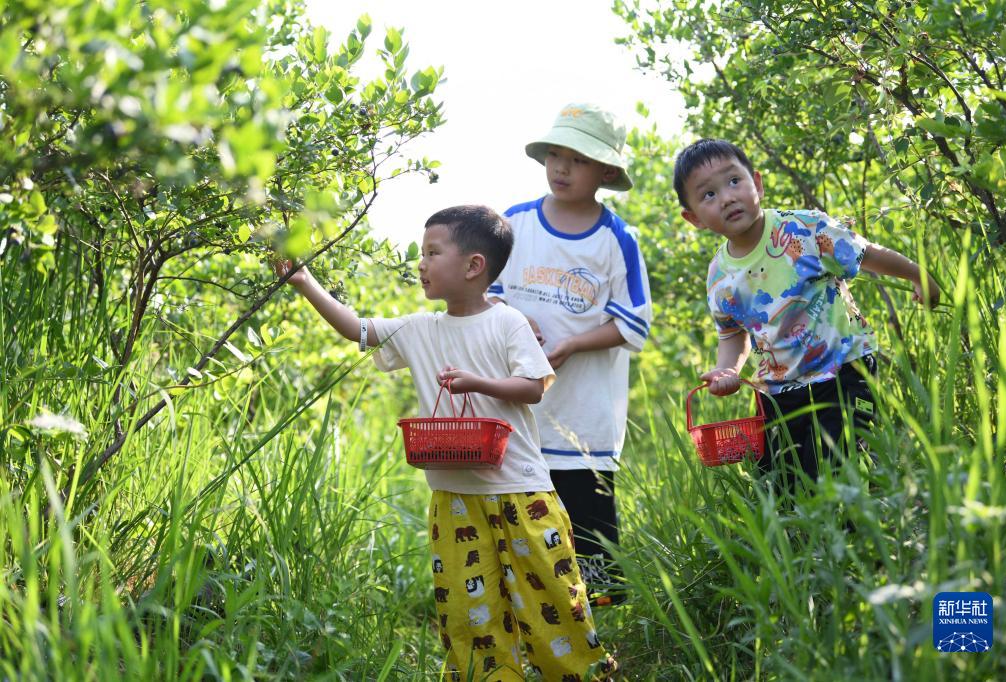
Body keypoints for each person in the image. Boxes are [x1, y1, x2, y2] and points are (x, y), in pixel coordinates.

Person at [274, 205, 616, 679]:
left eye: (433, 252)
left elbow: (534, 385)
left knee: (551, 598)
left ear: (474, 266)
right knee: (467, 606)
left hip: (519, 490)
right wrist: (303, 281)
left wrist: (479, 383)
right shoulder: (419, 329)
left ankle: (578, 673)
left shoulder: (507, 323)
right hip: (455, 497)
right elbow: (358, 328)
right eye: (421, 252)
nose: (421, 263)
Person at [673, 138, 939, 489]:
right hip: (779, 391)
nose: (726, 197)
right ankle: (810, 542)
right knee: (785, 481)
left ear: (758, 183)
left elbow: (865, 253)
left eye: (734, 181)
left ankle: (873, 521)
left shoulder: (804, 229)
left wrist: (916, 273)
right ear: (693, 218)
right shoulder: (720, 277)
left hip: (843, 370)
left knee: (842, 467)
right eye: (708, 194)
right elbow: (733, 334)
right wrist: (729, 368)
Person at [488, 103, 652, 605]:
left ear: (605, 171)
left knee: (590, 529)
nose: (560, 168)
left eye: (576, 159)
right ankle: (531, 613)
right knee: (521, 522)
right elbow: (488, 294)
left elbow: (633, 322)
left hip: (587, 419)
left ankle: (601, 632)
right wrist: (517, 322)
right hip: (522, 413)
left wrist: (573, 344)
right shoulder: (514, 224)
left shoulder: (616, 239)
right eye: (554, 155)